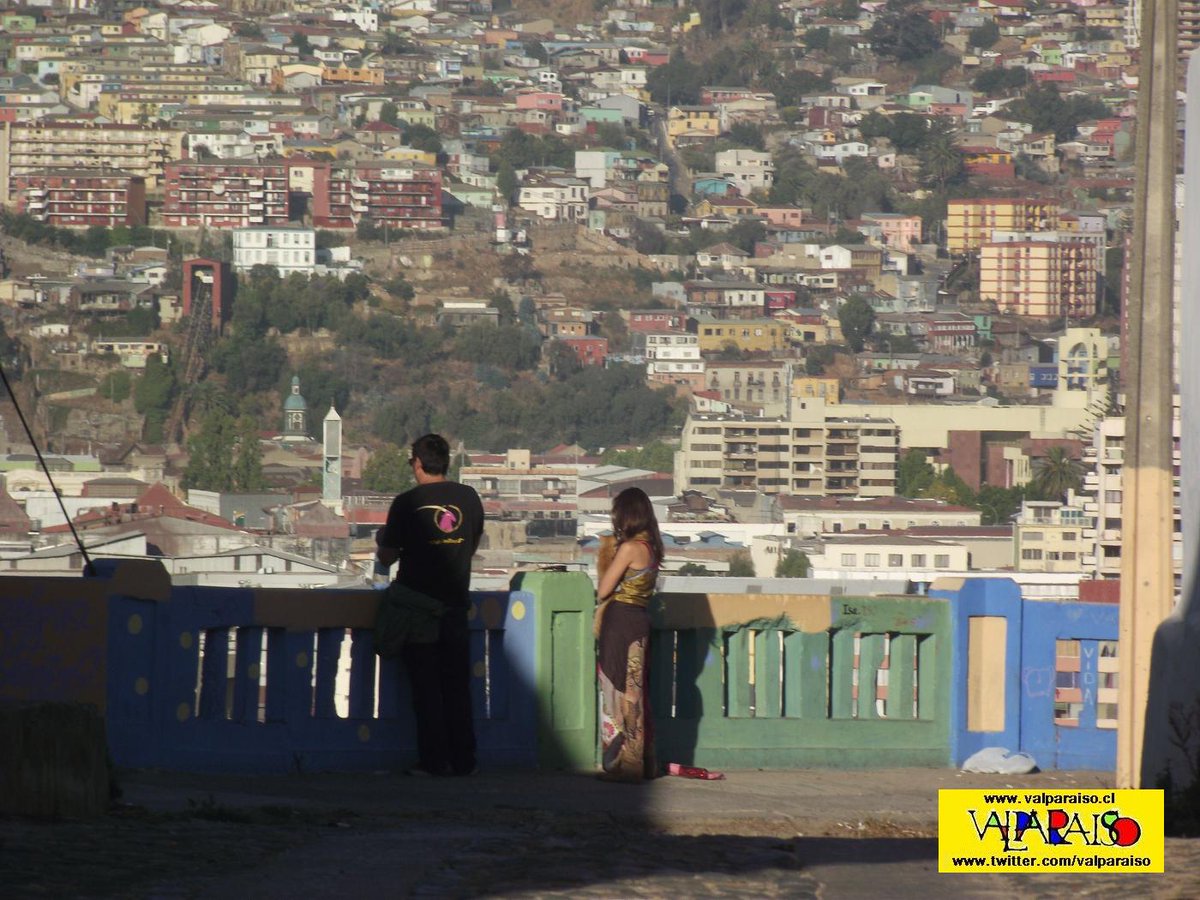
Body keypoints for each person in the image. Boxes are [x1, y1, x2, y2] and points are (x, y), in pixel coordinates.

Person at [376, 434, 484, 777]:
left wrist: (384, 540)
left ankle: (434, 761)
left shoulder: (407, 503)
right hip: (455, 607)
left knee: (426, 691)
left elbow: (387, 557)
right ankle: (464, 760)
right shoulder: (469, 498)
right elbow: (472, 543)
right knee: (456, 689)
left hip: (417, 610)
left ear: (417, 463)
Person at [594, 487, 663, 782]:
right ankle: (641, 760)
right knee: (635, 693)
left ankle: (622, 763)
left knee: (616, 693)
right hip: (641, 622)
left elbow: (604, 589)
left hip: (620, 623)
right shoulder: (652, 548)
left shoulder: (629, 548)